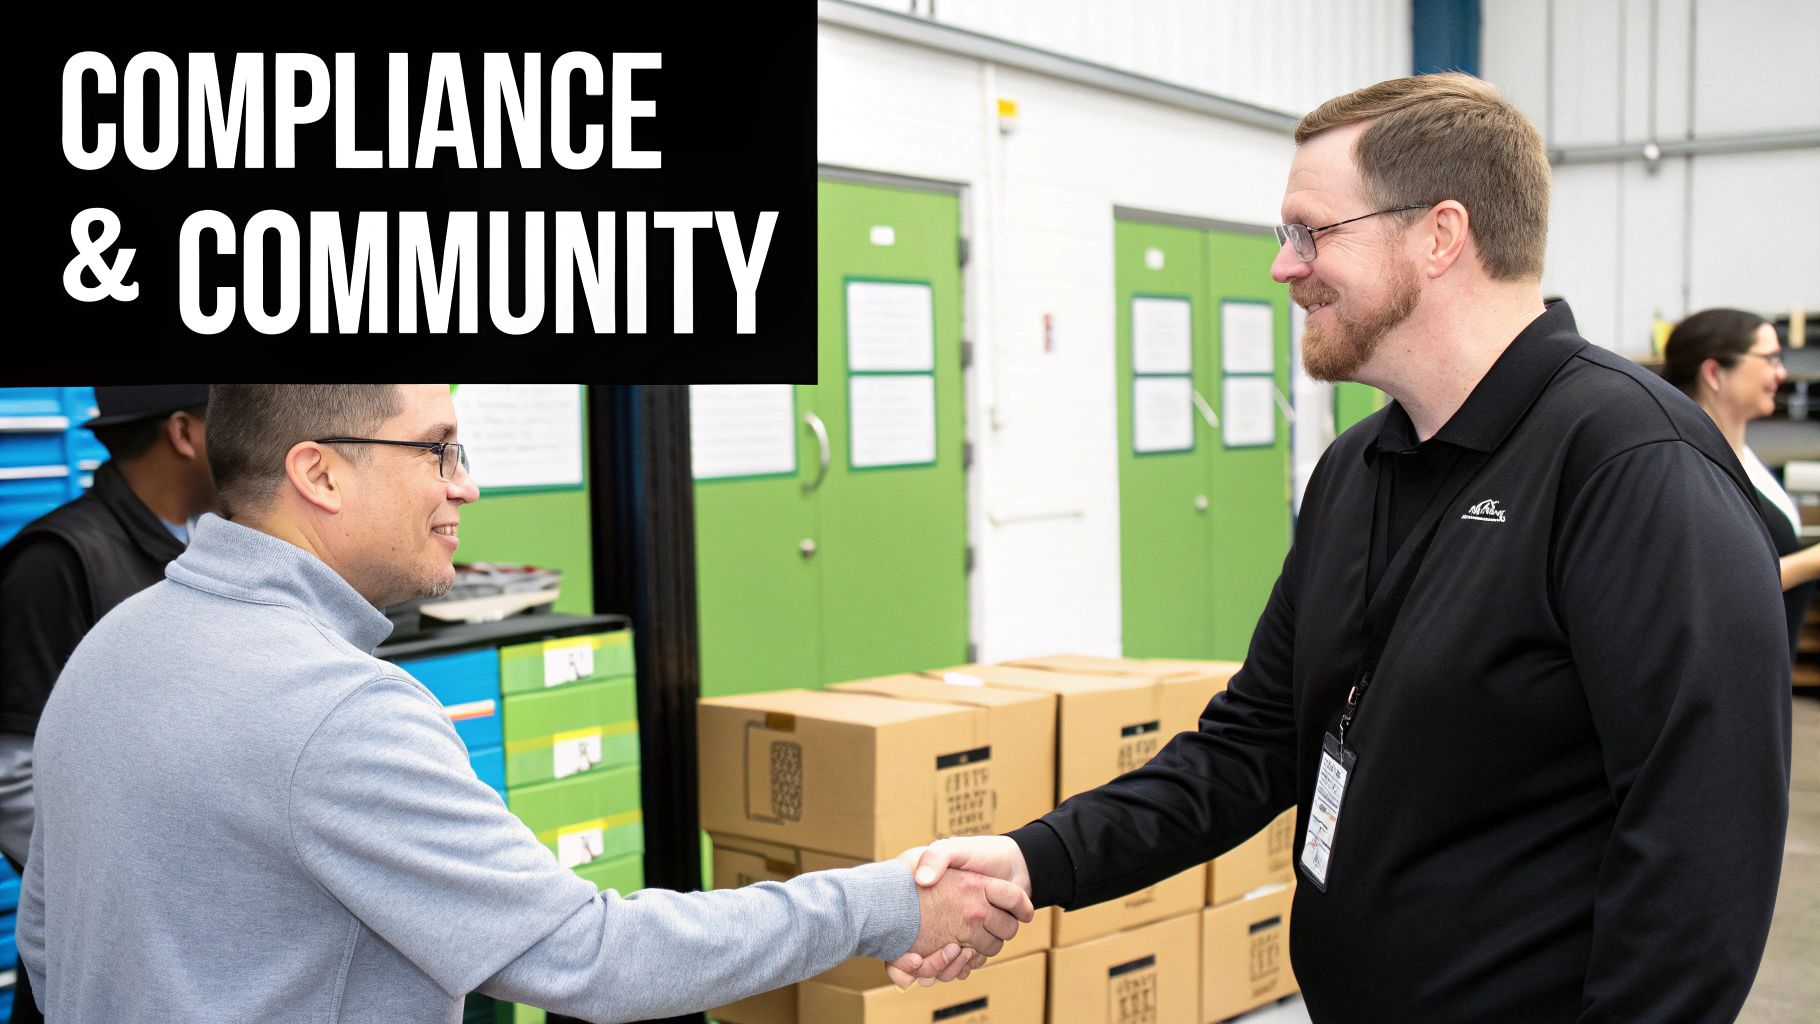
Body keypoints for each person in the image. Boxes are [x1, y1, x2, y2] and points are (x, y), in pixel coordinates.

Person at [914, 74, 1791, 1020]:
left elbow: (1700, 858)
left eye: (1311, 232)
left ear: (1440, 235)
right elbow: (1253, 743)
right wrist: (1033, 859)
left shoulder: (1629, 466)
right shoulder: (1356, 466)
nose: (1286, 267)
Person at [18, 384, 1030, 1023]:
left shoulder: (116, 644)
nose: (463, 487)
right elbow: (597, 958)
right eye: (438, 448)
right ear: (317, 471)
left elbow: (49, 943)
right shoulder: (336, 708)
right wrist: (887, 902)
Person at [0, 385, 213, 1024]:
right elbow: (10, 776)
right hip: (110, 952)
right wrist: (147, 882)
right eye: (236, 414)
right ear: (184, 433)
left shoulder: (210, 549)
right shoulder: (56, 564)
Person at [1663, 308, 1820, 661]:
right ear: (1715, 373)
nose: (1781, 373)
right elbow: (1712, 583)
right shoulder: (1692, 467)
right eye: (1770, 359)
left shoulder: (1745, 456)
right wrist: (1812, 562)